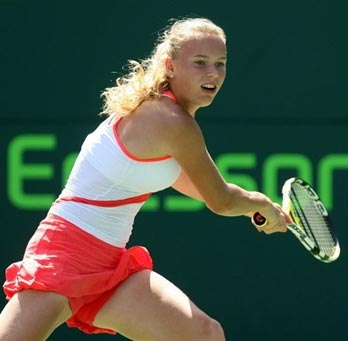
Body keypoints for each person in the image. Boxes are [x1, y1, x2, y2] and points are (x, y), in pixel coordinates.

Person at [0, 17, 290, 340]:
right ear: (170, 66)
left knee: (205, 335)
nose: (213, 74)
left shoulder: (165, 120)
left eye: (220, 64)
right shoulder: (170, 121)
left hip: (110, 266)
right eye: (200, 63)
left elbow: (201, 188)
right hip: (65, 253)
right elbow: (220, 199)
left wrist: (252, 207)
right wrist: (259, 203)